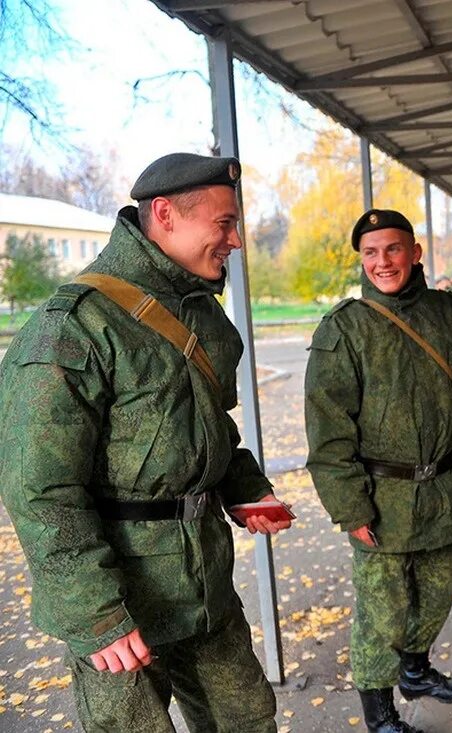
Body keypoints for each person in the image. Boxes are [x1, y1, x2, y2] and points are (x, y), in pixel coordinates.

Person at [0, 152, 294, 732]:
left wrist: (246, 489)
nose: (235, 240)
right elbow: (39, 489)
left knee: (248, 719)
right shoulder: (74, 326)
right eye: (224, 223)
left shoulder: (204, 317)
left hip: (204, 583)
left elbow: (212, 429)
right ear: (165, 214)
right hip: (122, 600)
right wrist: (96, 613)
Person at [304, 209, 452, 733]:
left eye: (392, 249)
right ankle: (379, 716)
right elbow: (329, 431)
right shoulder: (345, 328)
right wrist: (350, 507)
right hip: (381, 499)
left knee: (436, 597)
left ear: (415, 252)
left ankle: (416, 672)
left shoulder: (451, 315)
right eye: (370, 253)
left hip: (442, 492)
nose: (382, 262)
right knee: (381, 616)